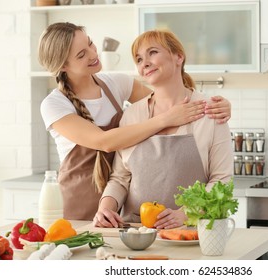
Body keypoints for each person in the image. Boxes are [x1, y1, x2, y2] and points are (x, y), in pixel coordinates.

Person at [38, 22, 231, 221]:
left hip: (117, 209)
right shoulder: (54, 104)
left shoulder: (116, 84)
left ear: (178, 56)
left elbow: (165, 97)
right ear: (63, 66)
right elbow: (104, 142)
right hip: (81, 202)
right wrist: (167, 118)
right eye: (81, 55)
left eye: (90, 44)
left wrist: (216, 105)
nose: (93, 53)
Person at [93, 30, 233, 229]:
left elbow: (221, 181)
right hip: (137, 233)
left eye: (152, 52)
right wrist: (105, 208)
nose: (145, 63)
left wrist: (185, 214)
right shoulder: (132, 115)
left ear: (179, 56)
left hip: (191, 232)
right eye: (139, 59)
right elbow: (120, 178)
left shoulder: (209, 112)